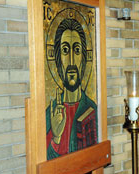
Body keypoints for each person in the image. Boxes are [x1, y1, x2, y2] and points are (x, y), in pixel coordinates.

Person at [45, 18, 97, 160]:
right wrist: (56, 137)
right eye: (65, 50)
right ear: (57, 58)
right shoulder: (50, 115)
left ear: (85, 58)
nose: (72, 61)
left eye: (77, 50)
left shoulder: (92, 110)